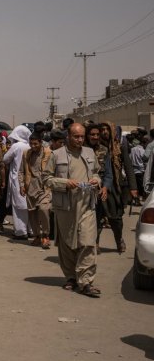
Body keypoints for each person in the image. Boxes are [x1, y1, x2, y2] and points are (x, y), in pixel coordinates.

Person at [43, 123, 102, 297]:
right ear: (68, 136)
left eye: (82, 136)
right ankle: (71, 277)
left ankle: (86, 282)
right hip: (66, 206)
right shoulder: (56, 155)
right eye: (76, 136)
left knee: (88, 242)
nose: (80, 139)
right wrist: (64, 183)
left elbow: (97, 173)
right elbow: (46, 178)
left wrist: (96, 181)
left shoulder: (90, 153)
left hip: (87, 206)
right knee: (67, 243)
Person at [96, 122, 137, 253]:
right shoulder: (96, 146)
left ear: (112, 130)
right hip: (98, 184)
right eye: (101, 130)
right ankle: (95, 243)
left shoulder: (120, 146)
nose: (104, 132)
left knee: (115, 217)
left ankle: (119, 239)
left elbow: (128, 166)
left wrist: (133, 187)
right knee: (97, 215)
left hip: (115, 187)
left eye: (106, 129)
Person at [19, 133, 52, 249]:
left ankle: (46, 235)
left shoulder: (48, 153)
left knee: (44, 209)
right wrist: (22, 185)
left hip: (44, 188)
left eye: (35, 144)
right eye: (31, 143)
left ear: (40, 142)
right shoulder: (26, 154)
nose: (33, 146)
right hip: (31, 187)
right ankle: (37, 236)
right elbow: (21, 171)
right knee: (32, 213)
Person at [3, 125, 31, 240]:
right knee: (29, 205)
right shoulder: (30, 145)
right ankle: (31, 229)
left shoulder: (16, 146)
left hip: (17, 179)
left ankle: (20, 231)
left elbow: (5, 159)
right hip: (29, 179)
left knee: (18, 206)